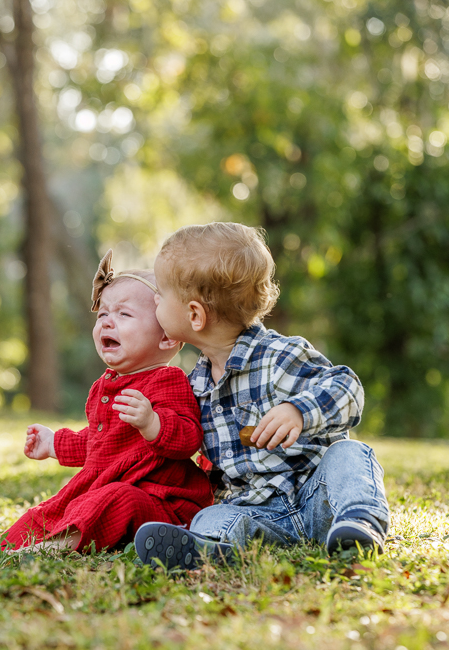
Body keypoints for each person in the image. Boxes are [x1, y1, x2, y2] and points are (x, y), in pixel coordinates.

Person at [134, 222, 389, 570]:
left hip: (316, 498)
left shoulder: (279, 357)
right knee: (215, 514)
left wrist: (298, 410)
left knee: (351, 453)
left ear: (195, 315)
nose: (154, 301)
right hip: (254, 514)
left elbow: (348, 389)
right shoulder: (193, 386)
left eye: (160, 294)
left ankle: (359, 524)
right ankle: (207, 549)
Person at [0, 250, 213, 556]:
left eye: (124, 314)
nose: (108, 323)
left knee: (116, 499)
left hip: (162, 503)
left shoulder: (168, 379)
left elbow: (189, 438)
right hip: (108, 489)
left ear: (166, 338)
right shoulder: (103, 386)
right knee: (53, 509)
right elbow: (100, 442)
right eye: (103, 315)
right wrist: (55, 443)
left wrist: (154, 423)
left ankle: (47, 550)